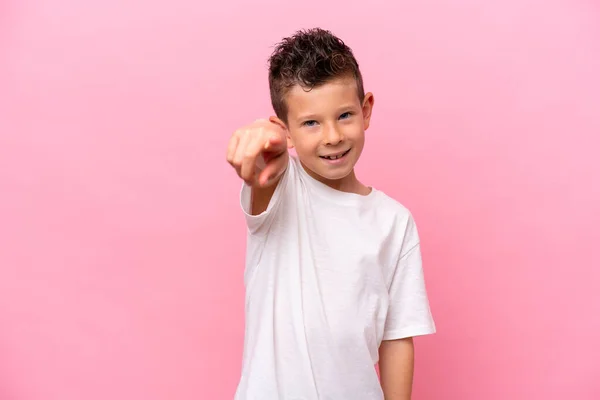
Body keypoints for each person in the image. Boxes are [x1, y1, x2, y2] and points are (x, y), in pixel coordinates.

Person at [226, 27, 436, 400]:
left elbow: (398, 335)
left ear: (366, 109)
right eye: (310, 123)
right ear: (286, 130)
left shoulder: (394, 222)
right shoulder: (281, 186)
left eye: (344, 115)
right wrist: (264, 141)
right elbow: (266, 164)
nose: (332, 136)